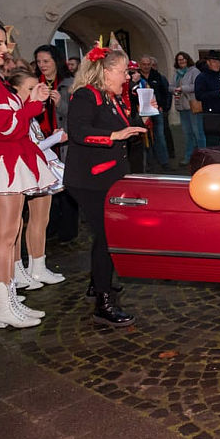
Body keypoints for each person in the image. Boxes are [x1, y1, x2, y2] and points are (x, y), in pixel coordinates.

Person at [0, 19, 55, 329]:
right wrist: (32, 105)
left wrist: (31, 104)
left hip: (8, 157)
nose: (4, 49)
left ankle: (7, 301)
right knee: (3, 237)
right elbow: (2, 127)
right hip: (1, 159)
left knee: (8, 236)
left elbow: (10, 119)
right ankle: (3, 306)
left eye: (3, 43)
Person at [65, 46, 147, 326]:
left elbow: (127, 129)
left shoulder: (111, 97)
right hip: (89, 180)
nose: (126, 77)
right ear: (107, 71)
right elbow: (79, 132)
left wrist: (142, 118)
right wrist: (114, 135)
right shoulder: (86, 95)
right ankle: (103, 302)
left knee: (104, 234)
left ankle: (96, 283)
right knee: (107, 236)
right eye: (123, 71)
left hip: (108, 177)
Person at [8, 68, 66, 290]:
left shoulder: (30, 114)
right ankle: (17, 271)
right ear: (15, 91)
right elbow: (31, 146)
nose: (36, 93)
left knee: (41, 219)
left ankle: (37, 266)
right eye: (30, 89)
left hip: (40, 166)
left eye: (38, 87)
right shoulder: (18, 113)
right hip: (27, 167)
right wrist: (56, 138)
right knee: (17, 223)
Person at [34, 44, 79, 243]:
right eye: (39, 62)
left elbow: (77, 116)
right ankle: (51, 226)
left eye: (46, 61)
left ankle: (68, 230)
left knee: (66, 186)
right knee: (47, 187)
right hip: (44, 142)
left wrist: (60, 103)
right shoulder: (36, 84)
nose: (42, 65)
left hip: (64, 142)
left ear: (56, 61)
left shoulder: (70, 83)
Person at [137, 55, 172, 170]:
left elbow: (165, 92)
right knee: (145, 137)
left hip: (157, 111)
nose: (146, 67)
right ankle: (149, 163)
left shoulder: (157, 76)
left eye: (148, 64)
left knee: (160, 136)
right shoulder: (136, 77)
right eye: (144, 64)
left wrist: (163, 107)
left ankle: (164, 162)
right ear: (140, 64)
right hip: (142, 112)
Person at [195, 50, 220, 146]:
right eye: (214, 62)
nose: (217, 64)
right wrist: (218, 93)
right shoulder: (201, 77)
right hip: (211, 115)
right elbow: (199, 96)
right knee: (213, 144)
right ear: (208, 62)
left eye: (219, 62)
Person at [173, 51, 204, 164]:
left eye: (183, 59)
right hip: (182, 107)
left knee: (198, 133)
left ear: (187, 59)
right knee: (187, 134)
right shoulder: (176, 73)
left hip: (193, 106)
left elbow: (198, 85)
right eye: (179, 60)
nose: (181, 61)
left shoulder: (194, 71)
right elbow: (171, 86)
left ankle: (203, 156)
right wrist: (174, 90)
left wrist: (183, 88)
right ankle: (189, 156)